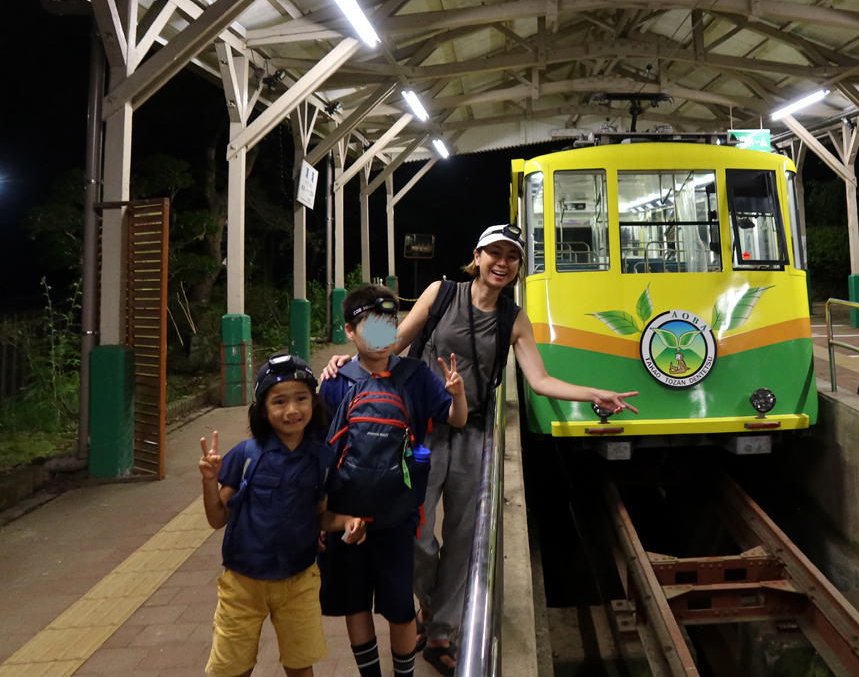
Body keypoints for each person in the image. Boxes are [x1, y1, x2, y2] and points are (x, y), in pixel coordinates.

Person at [322, 223, 639, 675]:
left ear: (517, 267)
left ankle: (442, 630)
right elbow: (392, 344)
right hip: (421, 432)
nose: (502, 263)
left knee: (465, 540)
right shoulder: (441, 294)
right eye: (495, 253)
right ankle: (428, 606)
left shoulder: (514, 319)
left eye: (511, 257)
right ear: (478, 255)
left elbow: (540, 380)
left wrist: (593, 394)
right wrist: (344, 361)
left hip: (472, 433)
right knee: (416, 533)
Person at [319, 284, 468, 677]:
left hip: (399, 516)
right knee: (355, 604)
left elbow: (455, 419)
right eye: (370, 325)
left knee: (400, 607)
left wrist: (458, 396)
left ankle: (404, 673)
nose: (383, 333)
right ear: (349, 332)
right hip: (344, 517)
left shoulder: (416, 374)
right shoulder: (334, 381)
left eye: (389, 323)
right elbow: (321, 450)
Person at [198, 353, 366, 677]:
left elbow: (320, 516)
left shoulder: (323, 459)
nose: (292, 410)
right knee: (232, 668)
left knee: (300, 665)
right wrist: (209, 481)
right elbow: (217, 518)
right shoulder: (246, 455)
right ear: (263, 409)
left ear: (314, 403)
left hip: (299, 581)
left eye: (301, 398)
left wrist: (344, 522)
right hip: (242, 583)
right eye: (279, 402)